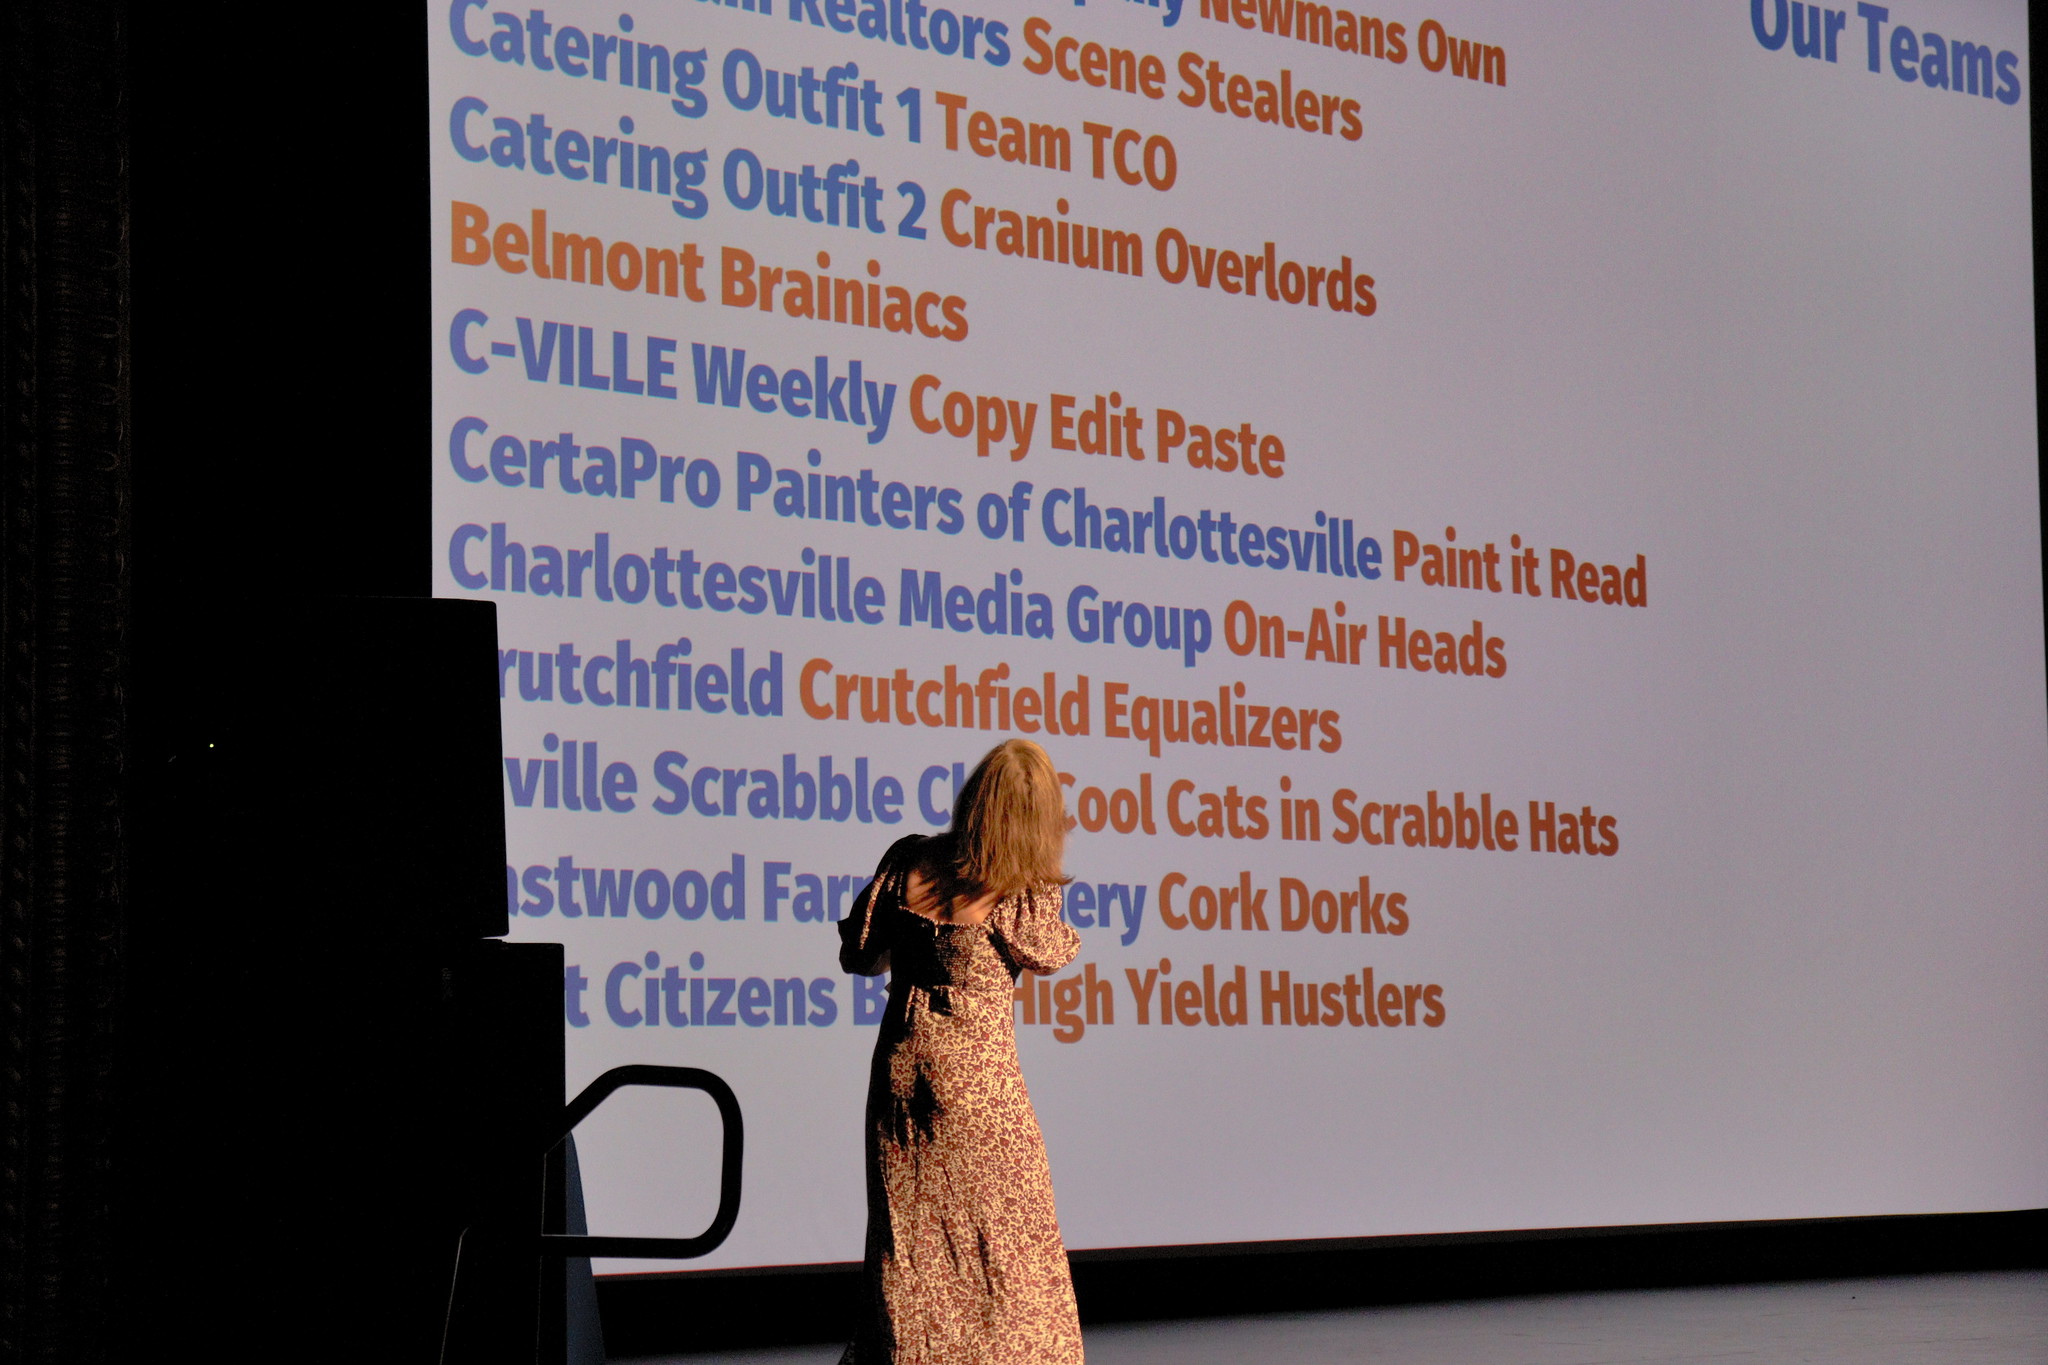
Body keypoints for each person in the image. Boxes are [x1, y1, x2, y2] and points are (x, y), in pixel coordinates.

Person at [836, 738, 1085, 1365]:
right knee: (1010, 1256)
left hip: (902, 1077)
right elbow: (1050, 953)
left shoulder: (906, 863)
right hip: (982, 1096)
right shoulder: (1021, 889)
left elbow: (859, 956)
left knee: (909, 1246)